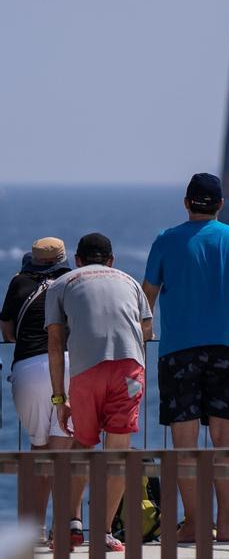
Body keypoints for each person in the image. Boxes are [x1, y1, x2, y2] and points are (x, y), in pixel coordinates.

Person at [142, 173, 229, 542]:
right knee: (224, 437)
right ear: (220, 205)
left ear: (186, 202)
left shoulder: (165, 241)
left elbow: (146, 297)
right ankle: (228, 525)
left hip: (178, 350)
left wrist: (145, 334)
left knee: (184, 442)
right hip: (225, 349)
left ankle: (196, 523)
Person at [46, 233, 154, 553]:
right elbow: (146, 329)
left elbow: (54, 342)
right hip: (130, 372)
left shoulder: (62, 283)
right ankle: (104, 533)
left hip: (87, 372)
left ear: (78, 260)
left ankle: (70, 527)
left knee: (82, 445)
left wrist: (58, 397)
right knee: (119, 450)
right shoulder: (130, 281)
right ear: (112, 260)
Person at [2, 239, 84, 546]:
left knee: (39, 451)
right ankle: (68, 526)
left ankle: (33, 531)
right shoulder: (72, 282)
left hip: (28, 371)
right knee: (64, 453)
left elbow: (8, 332)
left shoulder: (18, 282)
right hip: (66, 366)